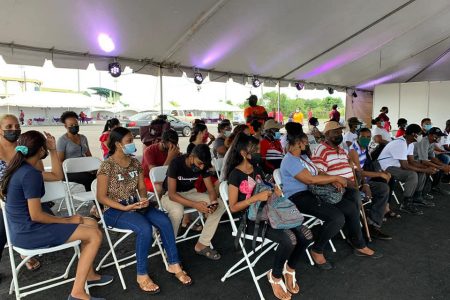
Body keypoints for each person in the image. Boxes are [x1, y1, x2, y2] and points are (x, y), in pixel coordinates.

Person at [1, 130, 112, 300]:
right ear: (40, 151)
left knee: (90, 222)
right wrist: (67, 220)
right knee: (94, 234)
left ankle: (88, 275)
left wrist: (53, 150)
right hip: (30, 232)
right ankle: (77, 293)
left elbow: (57, 176)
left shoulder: (21, 168)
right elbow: (36, 215)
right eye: (45, 147)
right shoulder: (29, 174)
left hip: (24, 230)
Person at [96, 127, 191, 293]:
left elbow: (141, 187)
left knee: (164, 220)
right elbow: (101, 197)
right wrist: (124, 207)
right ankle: (141, 274)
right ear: (118, 144)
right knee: (145, 228)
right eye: (129, 141)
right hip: (114, 210)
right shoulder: (107, 166)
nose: (132, 144)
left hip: (136, 205)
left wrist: (143, 199)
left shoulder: (134, 162)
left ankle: (173, 264)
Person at [225, 133, 313, 300]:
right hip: (251, 220)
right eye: (255, 150)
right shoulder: (235, 175)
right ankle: (276, 276)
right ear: (244, 153)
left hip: (270, 212)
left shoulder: (256, 168)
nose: (259, 152)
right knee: (289, 239)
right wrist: (256, 198)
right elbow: (233, 207)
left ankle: (290, 268)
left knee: (306, 235)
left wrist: (274, 190)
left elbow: (266, 187)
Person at [0, 114, 64, 272]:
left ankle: (25, 249)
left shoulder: (26, 149)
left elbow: (54, 175)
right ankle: (23, 251)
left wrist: (53, 150)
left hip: (30, 202)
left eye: (17, 126)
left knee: (46, 218)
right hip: (6, 204)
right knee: (2, 224)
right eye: (9, 127)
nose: (14, 130)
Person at [280, 124, 347, 269]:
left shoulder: (303, 157)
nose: (307, 144)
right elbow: (309, 179)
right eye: (305, 142)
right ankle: (317, 249)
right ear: (297, 143)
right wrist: (334, 178)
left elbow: (317, 173)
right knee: (337, 218)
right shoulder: (289, 160)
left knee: (346, 207)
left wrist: (332, 178)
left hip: (312, 192)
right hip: (298, 197)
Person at [311, 121, 382, 258]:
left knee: (378, 189)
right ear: (327, 134)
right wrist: (337, 180)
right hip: (334, 190)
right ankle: (359, 239)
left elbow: (355, 170)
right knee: (354, 199)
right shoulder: (321, 149)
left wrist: (364, 183)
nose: (339, 134)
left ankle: (363, 232)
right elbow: (319, 173)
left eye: (340, 132)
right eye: (335, 132)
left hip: (350, 186)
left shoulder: (342, 150)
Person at [161, 144, 225, 260]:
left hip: (190, 193)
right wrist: (195, 205)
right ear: (191, 156)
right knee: (177, 211)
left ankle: (202, 244)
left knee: (220, 205)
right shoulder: (176, 163)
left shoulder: (203, 166)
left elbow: (211, 190)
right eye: (199, 163)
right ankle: (169, 250)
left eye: (203, 165)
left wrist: (213, 201)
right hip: (170, 196)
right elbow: (172, 194)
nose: (201, 167)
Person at [377, 124, 434, 215]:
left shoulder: (409, 143)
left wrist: (426, 167)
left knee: (420, 173)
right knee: (412, 174)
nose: (421, 136)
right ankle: (406, 203)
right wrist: (425, 170)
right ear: (413, 134)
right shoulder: (400, 143)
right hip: (385, 167)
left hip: (396, 166)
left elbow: (412, 161)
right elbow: (405, 166)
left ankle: (417, 197)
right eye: (419, 134)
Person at [348, 128, 392, 239]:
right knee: (382, 186)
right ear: (358, 137)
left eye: (368, 137)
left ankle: (373, 223)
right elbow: (359, 172)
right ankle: (370, 222)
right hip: (355, 181)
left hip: (364, 178)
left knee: (384, 186)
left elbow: (367, 165)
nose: (366, 139)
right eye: (363, 136)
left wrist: (381, 173)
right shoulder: (354, 150)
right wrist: (376, 177)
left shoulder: (365, 148)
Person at [56, 111, 95, 191]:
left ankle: (101, 200)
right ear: (65, 126)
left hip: (84, 168)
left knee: (101, 176)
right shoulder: (62, 140)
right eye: (71, 125)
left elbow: (88, 154)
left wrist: (93, 167)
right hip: (69, 171)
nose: (74, 126)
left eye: (76, 124)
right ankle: (97, 202)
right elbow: (60, 161)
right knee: (89, 178)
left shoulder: (83, 138)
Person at [413, 127, 450, 197]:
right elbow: (424, 161)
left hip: (420, 161)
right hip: (413, 161)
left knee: (438, 168)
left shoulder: (432, 142)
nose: (439, 137)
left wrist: (444, 166)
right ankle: (419, 194)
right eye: (437, 135)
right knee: (430, 169)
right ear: (429, 135)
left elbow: (433, 158)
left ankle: (433, 188)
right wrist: (441, 167)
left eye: (440, 136)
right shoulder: (424, 142)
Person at [142, 129, 180, 194]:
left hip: (166, 177)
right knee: (160, 188)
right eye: (171, 143)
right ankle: (160, 204)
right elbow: (156, 175)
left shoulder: (174, 151)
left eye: (175, 144)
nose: (173, 146)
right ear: (163, 141)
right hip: (148, 178)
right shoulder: (149, 151)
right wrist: (170, 157)